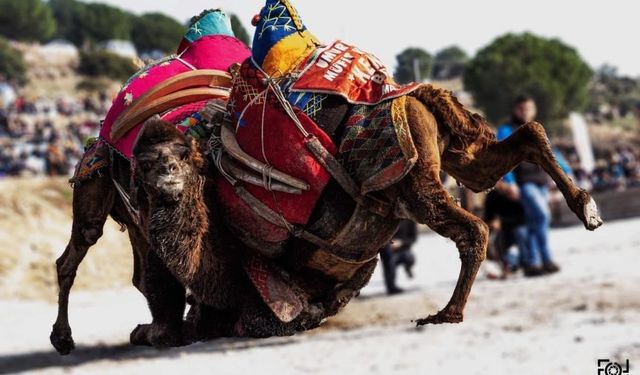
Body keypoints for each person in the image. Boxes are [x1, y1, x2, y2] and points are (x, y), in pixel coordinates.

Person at [497, 95, 564, 277]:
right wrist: (510, 183)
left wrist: (565, 177)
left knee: (534, 222)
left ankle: (532, 263)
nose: (525, 112)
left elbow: (553, 154)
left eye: (529, 108)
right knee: (542, 216)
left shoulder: (537, 130)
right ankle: (545, 259)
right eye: (522, 109)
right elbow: (504, 158)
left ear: (534, 110)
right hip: (524, 184)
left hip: (542, 183)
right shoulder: (506, 130)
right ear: (515, 110)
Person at [483, 183, 528, 279]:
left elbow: (523, 219)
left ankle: (522, 263)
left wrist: (502, 222)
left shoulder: (517, 196)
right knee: (494, 241)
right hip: (503, 229)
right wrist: (491, 223)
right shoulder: (492, 196)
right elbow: (488, 216)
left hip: (517, 227)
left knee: (520, 234)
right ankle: (504, 266)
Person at [380, 220, 417, 294]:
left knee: (410, 258)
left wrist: (401, 243)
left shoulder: (410, 220)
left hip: (403, 249)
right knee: (389, 260)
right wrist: (389, 244)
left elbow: (413, 238)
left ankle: (408, 268)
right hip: (388, 250)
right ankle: (391, 287)